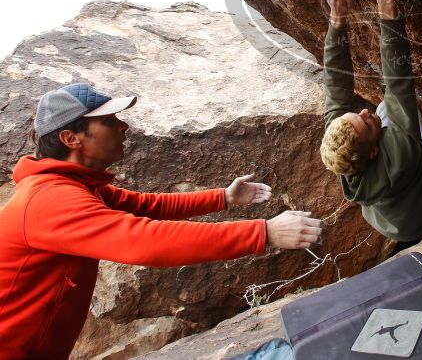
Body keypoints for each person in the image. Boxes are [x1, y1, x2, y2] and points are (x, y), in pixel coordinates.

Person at [0, 82, 322, 360]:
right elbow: (142, 240)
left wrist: (223, 197)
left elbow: (144, 206)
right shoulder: (49, 200)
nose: (123, 126)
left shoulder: (76, 186)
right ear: (72, 138)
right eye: (110, 120)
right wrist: (263, 232)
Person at [319, 0, 422, 243]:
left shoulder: (343, 150)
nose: (363, 112)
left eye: (356, 115)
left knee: (383, 110)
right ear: (374, 152)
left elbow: (336, 84)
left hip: (390, 222)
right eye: (365, 123)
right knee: (395, 107)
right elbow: (398, 81)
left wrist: (337, 19)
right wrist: (385, 1)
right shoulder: (399, 153)